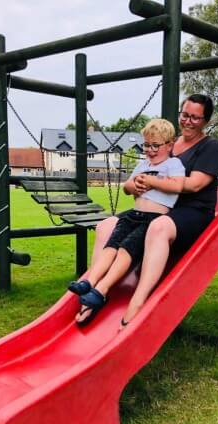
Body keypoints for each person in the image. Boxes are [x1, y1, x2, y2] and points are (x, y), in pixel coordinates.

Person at [87, 94, 218, 326]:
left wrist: (150, 182)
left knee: (157, 227)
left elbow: (194, 184)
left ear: (206, 121)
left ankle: (139, 299)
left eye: (195, 117)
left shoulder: (211, 146)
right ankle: (93, 287)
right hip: (160, 208)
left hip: (193, 211)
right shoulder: (168, 142)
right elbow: (142, 175)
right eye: (185, 115)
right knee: (107, 225)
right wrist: (137, 183)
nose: (188, 121)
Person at [70, 119, 185, 325]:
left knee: (125, 251)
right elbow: (126, 186)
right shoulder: (142, 165)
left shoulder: (173, 164)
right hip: (133, 215)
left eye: (155, 145)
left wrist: (151, 181)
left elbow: (177, 186)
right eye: (146, 145)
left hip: (152, 220)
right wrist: (135, 186)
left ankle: (101, 290)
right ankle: (89, 281)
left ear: (169, 144)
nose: (150, 150)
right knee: (110, 248)